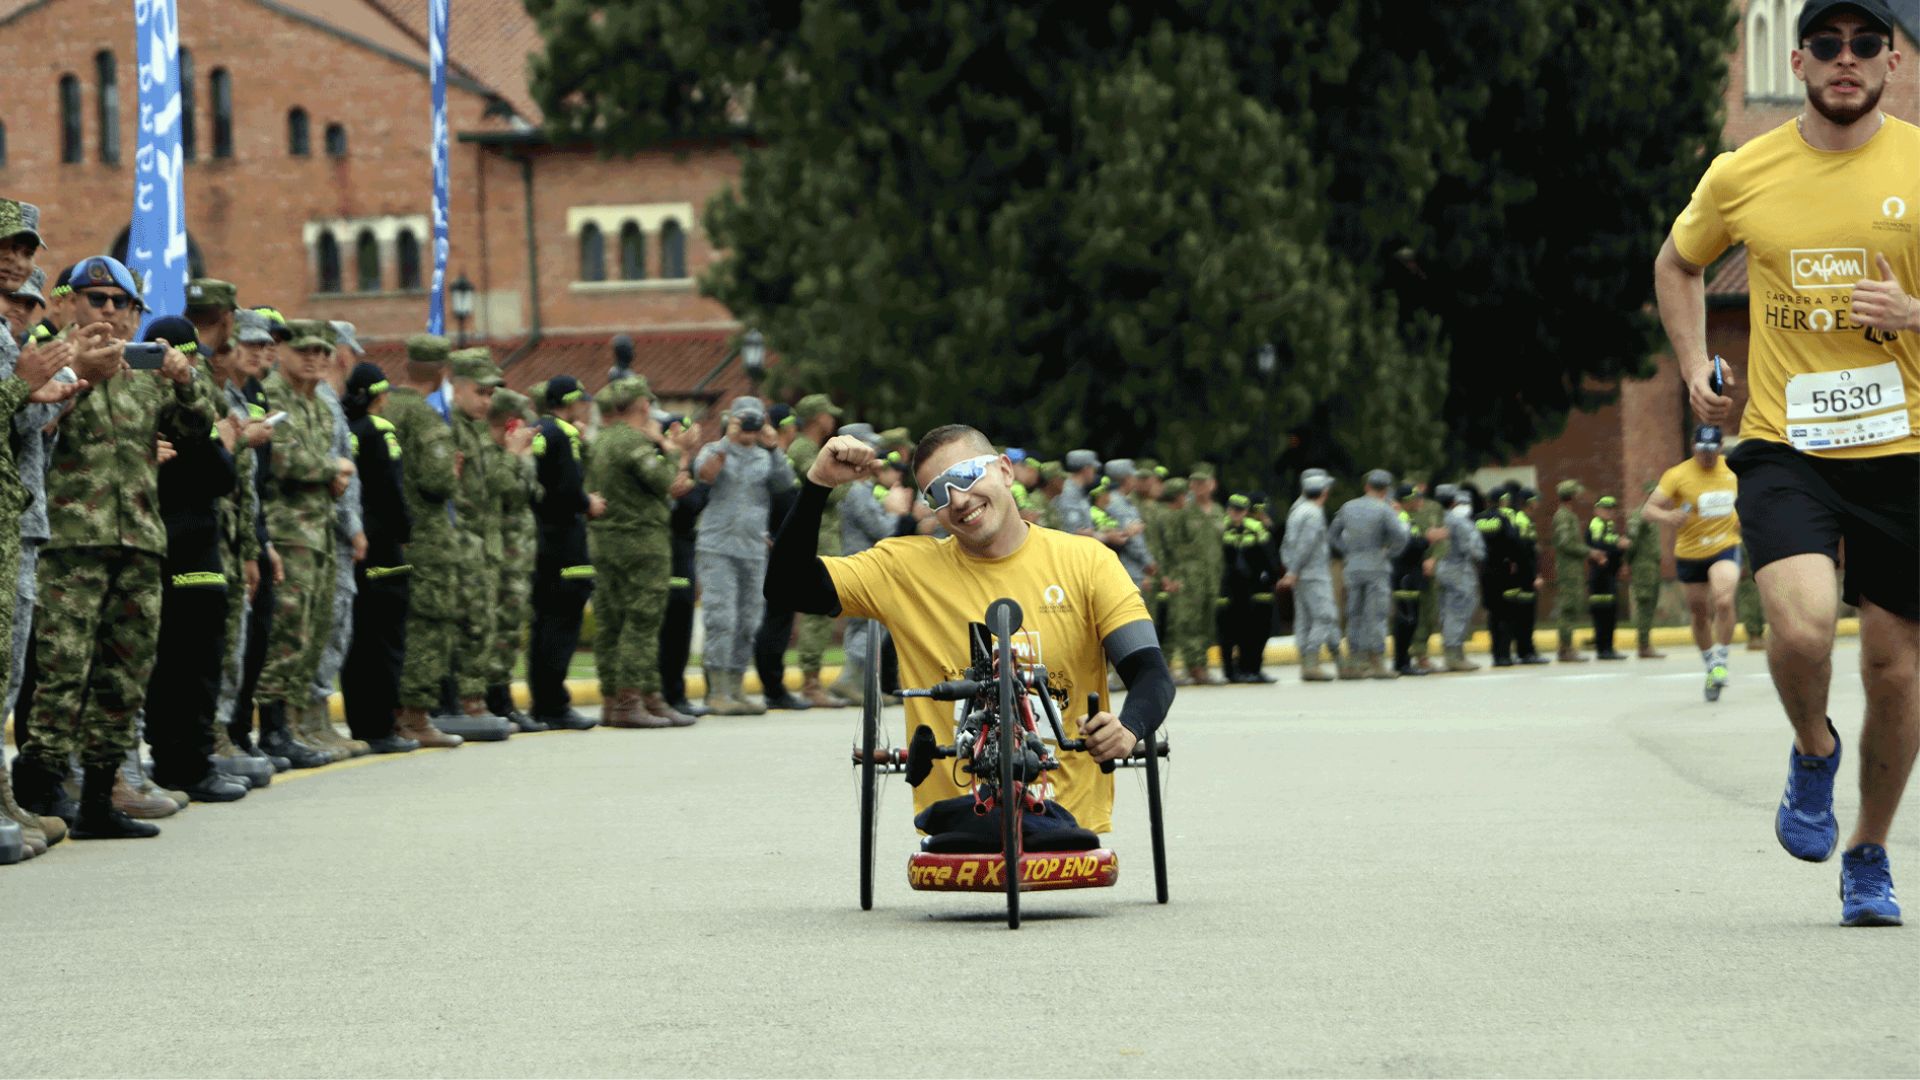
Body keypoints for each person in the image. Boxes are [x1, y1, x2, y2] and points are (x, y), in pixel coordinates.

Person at [1654, 0, 1917, 925]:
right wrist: (1693, 369)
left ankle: (1871, 854)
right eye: (1830, 45)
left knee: (1894, 668)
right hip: (1785, 442)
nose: (1847, 60)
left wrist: (1914, 318)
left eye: (1866, 45)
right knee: (1801, 631)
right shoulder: (1745, 171)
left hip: (1907, 450)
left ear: (1891, 60)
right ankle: (1813, 749)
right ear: (1799, 60)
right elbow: (1679, 263)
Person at [764, 425, 1174, 834]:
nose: (959, 500)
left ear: (1004, 471)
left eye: (966, 476)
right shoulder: (904, 568)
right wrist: (818, 484)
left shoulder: (1088, 561)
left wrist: (1128, 727)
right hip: (963, 816)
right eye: (937, 494)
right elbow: (786, 586)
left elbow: (1150, 670)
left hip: (1066, 814)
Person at [10, 255, 214, 839]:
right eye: (94, 299)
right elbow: (32, 425)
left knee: (124, 676)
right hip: (71, 545)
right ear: (69, 303)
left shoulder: (142, 374)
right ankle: (42, 793)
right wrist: (81, 376)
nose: (107, 311)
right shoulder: (46, 357)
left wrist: (186, 379)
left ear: (135, 316)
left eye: (119, 304)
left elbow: (199, 435)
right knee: (61, 674)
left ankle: (102, 796)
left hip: (139, 542)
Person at [588, 378, 701, 726]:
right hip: (641, 542)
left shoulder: (600, 440)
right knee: (642, 621)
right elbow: (666, 483)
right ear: (641, 405)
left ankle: (624, 698)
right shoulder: (634, 442)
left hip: (605, 541)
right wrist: (677, 452)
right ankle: (630, 700)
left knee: (611, 622)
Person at [385, 335, 464, 750]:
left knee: (400, 626)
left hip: (392, 534)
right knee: (428, 624)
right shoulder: (426, 418)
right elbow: (437, 481)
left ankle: (400, 712)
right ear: (440, 372)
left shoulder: (389, 407)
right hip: (427, 536)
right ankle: (414, 715)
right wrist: (453, 471)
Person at [693, 396, 796, 714]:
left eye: (755, 419)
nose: (750, 426)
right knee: (721, 617)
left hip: (752, 548)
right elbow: (703, 474)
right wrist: (729, 439)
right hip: (718, 545)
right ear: (732, 419)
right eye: (743, 419)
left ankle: (736, 687)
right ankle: (718, 691)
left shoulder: (766, 457)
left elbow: (786, 484)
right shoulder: (715, 449)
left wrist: (773, 446)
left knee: (749, 620)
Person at [337, 362, 418, 753]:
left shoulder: (345, 430)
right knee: (386, 640)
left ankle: (361, 723)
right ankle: (382, 726)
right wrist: (407, 530)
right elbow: (390, 489)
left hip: (354, 544)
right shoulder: (380, 431)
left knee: (359, 640)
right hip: (383, 546)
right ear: (380, 396)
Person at [1641, 426, 1743, 700]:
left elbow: (1753, 496)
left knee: (1723, 601)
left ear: (1720, 447)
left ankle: (1721, 659)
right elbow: (1648, 510)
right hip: (1690, 551)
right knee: (1699, 612)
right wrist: (1668, 517)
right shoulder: (1678, 475)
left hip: (1726, 545)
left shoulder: (1734, 469)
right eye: (1702, 449)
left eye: (1712, 450)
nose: (1707, 456)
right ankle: (1710, 663)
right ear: (1693, 446)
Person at [527, 375, 600, 730]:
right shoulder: (565, 435)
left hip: (538, 540)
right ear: (571, 403)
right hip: (565, 543)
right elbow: (569, 488)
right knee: (562, 622)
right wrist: (589, 502)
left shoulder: (536, 431)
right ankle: (554, 704)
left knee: (543, 623)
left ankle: (542, 701)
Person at [1328, 469, 1409, 680]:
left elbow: (1333, 535)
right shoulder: (1384, 509)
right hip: (1377, 567)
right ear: (1386, 490)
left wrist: (1347, 551)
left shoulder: (1348, 507)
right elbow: (1400, 536)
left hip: (1353, 566)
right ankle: (1376, 661)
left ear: (1367, 487)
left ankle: (1355, 660)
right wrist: (1389, 553)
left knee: (1354, 613)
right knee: (1376, 614)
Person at [1279, 469, 1338, 682]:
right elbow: (1306, 544)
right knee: (1325, 615)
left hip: (1302, 573)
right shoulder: (1313, 512)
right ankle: (1312, 661)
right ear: (1323, 491)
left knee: (1304, 619)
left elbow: (1286, 544)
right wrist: (1294, 570)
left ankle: (1306, 662)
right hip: (1313, 572)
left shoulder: (1297, 510)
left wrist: (1291, 569)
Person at [1218, 493, 1275, 682]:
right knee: (1227, 632)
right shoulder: (1220, 528)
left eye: (1240, 510)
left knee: (1250, 631)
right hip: (1226, 586)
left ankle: (1251, 669)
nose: (1236, 513)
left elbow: (1269, 557)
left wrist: (1268, 580)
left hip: (1249, 586)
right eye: (1233, 509)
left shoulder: (1255, 528)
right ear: (1228, 509)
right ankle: (1230, 671)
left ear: (1245, 512)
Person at [1433, 485, 1485, 672]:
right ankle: (1455, 655)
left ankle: (1451, 653)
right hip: (1458, 569)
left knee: (1446, 611)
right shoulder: (1460, 522)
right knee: (1459, 610)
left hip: (1440, 568)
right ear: (1454, 501)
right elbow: (1472, 549)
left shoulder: (1435, 519)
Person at [1585, 495, 1631, 661]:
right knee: (1602, 613)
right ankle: (1602, 648)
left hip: (1609, 574)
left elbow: (1613, 549)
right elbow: (1598, 546)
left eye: (1611, 509)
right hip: (1599, 576)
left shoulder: (1609, 526)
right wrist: (1618, 545)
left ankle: (1608, 647)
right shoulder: (1596, 525)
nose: (1609, 512)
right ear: (1597, 510)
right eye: (1605, 509)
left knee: (1611, 613)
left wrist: (1621, 562)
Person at [1551, 479, 1592, 662]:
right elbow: (1565, 543)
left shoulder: (1569, 515)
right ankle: (1565, 648)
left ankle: (1566, 647)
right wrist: (1588, 552)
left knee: (1573, 606)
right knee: (1568, 607)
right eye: (1577, 494)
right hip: (1568, 570)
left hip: (1574, 569)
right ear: (1571, 497)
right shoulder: (1563, 517)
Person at [1625, 480, 1667, 659]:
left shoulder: (1652, 516)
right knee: (1644, 606)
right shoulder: (1640, 515)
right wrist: (1628, 563)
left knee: (1650, 607)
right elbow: (1631, 542)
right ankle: (1643, 645)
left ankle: (1646, 643)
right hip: (1643, 568)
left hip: (1652, 568)